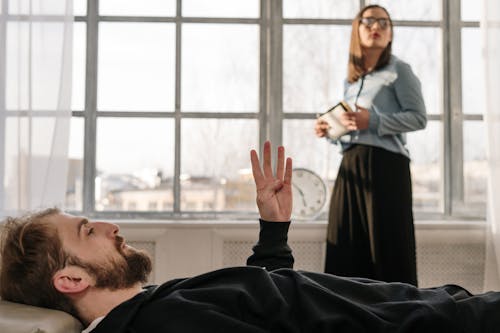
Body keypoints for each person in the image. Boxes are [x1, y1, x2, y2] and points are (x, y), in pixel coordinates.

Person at [1, 142, 499, 333]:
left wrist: (274, 229)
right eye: (88, 231)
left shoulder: (154, 305)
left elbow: (270, 304)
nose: (110, 226)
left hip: (436, 310)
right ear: (70, 278)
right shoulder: (162, 324)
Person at [315, 4, 427, 286]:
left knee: (388, 251)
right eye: (368, 22)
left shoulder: (399, 70)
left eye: (383, 23)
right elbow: (354, 128)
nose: (376, 27)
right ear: (357, 30)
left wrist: (373, 122)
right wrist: (331, 130)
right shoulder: (351, 82)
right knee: (345, 247)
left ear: (390, 35)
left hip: (387, 167)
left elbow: (418, 118)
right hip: (350, 167)